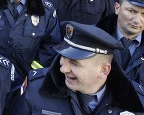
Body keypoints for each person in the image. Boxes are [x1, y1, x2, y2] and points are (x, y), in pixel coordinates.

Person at [14, 21, 144, 114]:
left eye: (75, 63)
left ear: (104, 70)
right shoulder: (36, 89)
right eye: (63, 58)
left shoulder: (136, 102)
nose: (63, 69)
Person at [97, 0, 144, 85]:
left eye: (143, 14)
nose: (137, 20)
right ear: (117, 8)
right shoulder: (93, 39)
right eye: (131, 11)